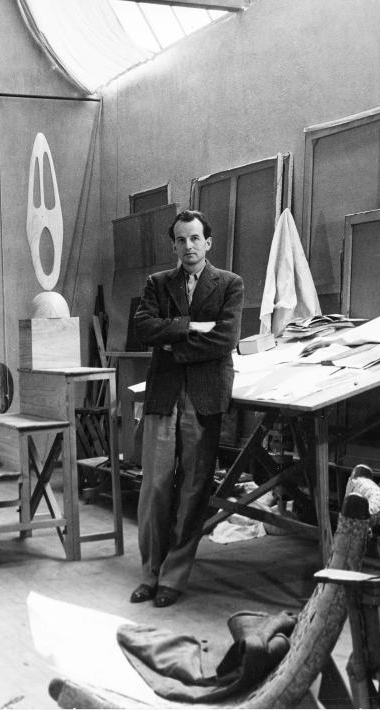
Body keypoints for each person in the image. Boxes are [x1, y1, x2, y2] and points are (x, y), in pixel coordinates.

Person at [131, 209, 244, 607]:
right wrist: (192, 328)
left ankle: (173, 578)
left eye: (195, 238)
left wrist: (172, 341)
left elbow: (225, 340)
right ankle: (149, 573)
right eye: (181, 240)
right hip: (164, 395)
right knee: (155, 486)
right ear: (174, 245)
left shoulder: (230, 284)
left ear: (208, 242)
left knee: (194, 489)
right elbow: (142, 328)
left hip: (205, 395)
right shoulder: (157, 284)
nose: (189, 246)